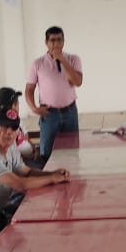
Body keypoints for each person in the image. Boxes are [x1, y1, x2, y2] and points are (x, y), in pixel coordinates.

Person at [0, 107, 71, 213]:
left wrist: (52, 173)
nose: (10, 132)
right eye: (5, 127)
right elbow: (20, 184)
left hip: (1, 206)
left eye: (14, 127)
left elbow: (27, 172)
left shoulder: (9, 146)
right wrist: (52, 178)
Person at [25, 25, 83, 161]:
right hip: (49, 113)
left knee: (72, 150)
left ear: (64, 42)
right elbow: (29, 89)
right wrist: (34, 108)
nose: (56, 44)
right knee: (47, 151)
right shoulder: (37, 64)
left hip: (70, 112)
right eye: (52, 40)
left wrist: (63, 60)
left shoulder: (73, 59)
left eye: (59, 40)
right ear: (46, 42)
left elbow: (77, 82)